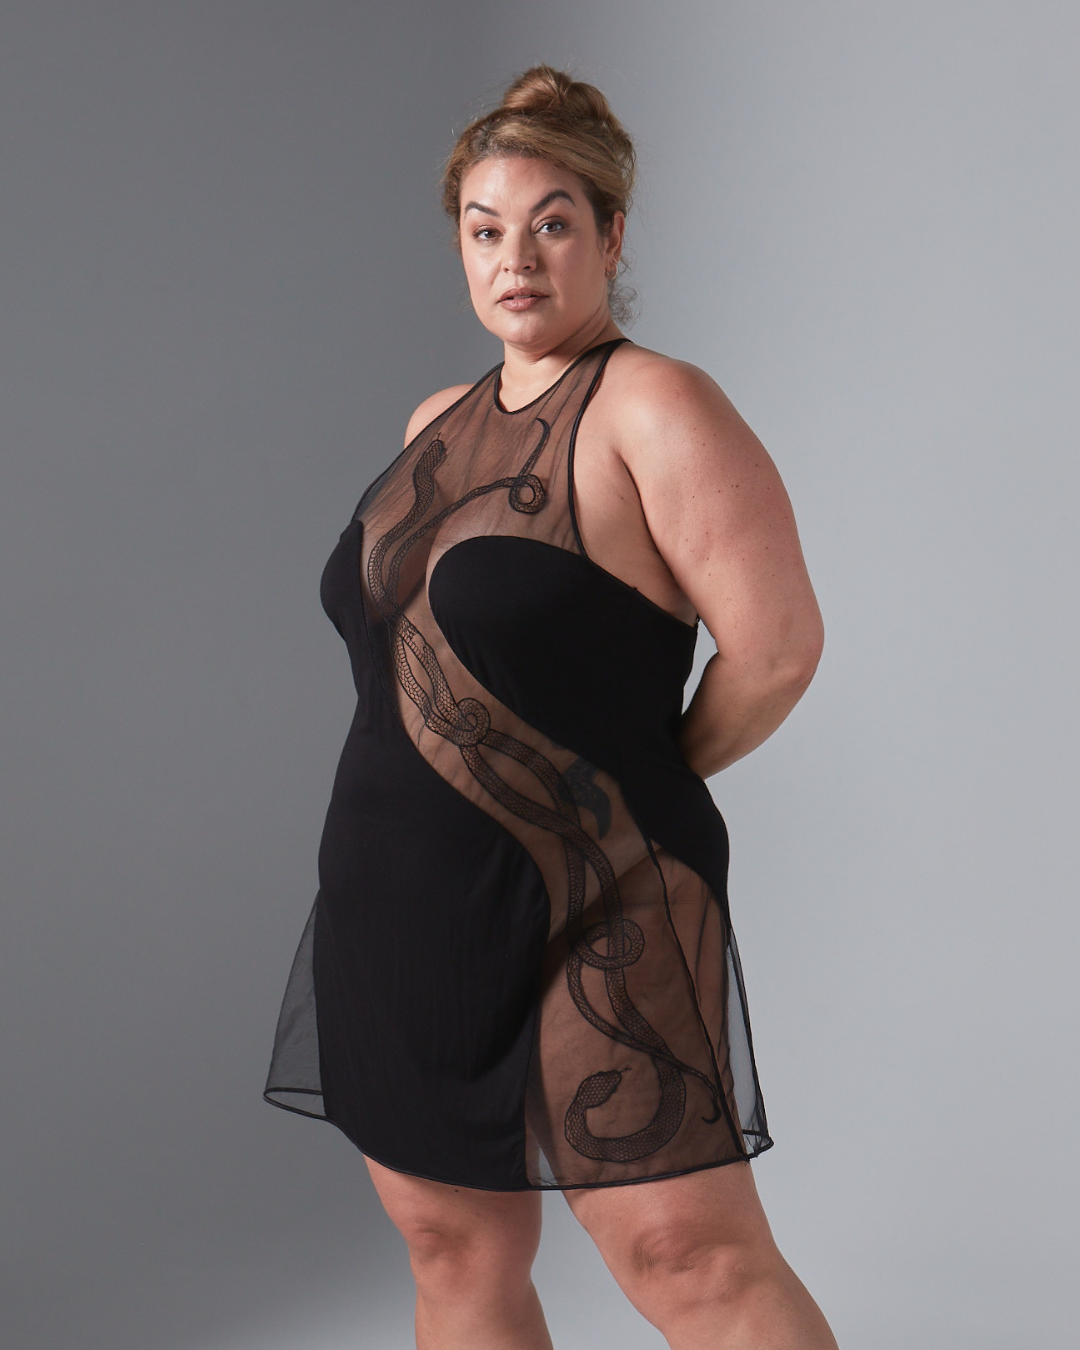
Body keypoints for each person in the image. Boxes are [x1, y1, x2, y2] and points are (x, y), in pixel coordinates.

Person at [264, 64, 838, 1350]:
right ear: (461, 247)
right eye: (485, 229)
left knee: (689, 1256)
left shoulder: (654, 405)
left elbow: (777, 650)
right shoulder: (436, 421)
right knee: (452, 1247)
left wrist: (633, 788)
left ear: (612, 236)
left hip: (596, 893)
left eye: (553, 223)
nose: (515, 259)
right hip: (396, 900)